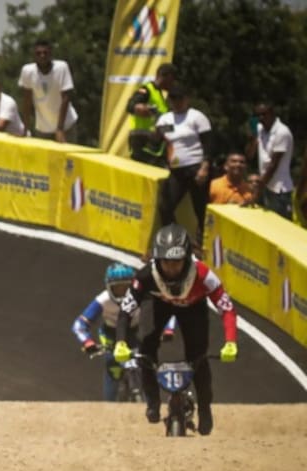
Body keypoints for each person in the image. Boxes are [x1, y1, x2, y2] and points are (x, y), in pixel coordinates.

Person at [114, 224, 238, 436]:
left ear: (187, 258)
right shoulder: (145, 276)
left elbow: (227, 309)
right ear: (157, 260)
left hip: (193, 307)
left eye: (177, 262)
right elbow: (125, 312)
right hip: (157, 304)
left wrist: (231, 341)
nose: (171, 268)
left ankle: (205, 408)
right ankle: (152, 400)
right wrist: (120, 342)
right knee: (145, 346)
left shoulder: (204, 275)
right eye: (166, 262)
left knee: (198, 355)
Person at [72, 262, 175, 401]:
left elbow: (167, 311)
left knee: (146, 364)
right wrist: (88, 342)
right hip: (110, 335)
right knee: (113, 369)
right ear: (108, 288)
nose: (122, 292)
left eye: (125, 288)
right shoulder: (103, 300)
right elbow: (79, 324)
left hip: (135, 332)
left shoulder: (144, 295)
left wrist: (168, 329)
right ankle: (109, 404)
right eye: (117, 288)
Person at [155, 85, 213, 241]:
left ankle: (204, 244)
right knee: (165, 206)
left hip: (195, 166)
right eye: (173, 98)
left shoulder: (196, 117)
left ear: (187, 99)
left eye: (180, 98)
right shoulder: (165, 119)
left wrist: (204, 167)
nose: (176, 102)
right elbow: (160, 140)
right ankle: (177, 239)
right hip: (176, 170)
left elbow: (208, 143)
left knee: (200, 209)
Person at [18, 38, 78, 143]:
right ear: (34, 55)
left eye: (45, 53)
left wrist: (60, 129)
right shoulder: (27, 71)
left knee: (67, 158)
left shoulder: (61, 68)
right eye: (39, 53)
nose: (42, 56)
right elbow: (27, 101)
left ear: (50, 53)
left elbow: (66, 98)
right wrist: (25, 129)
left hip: (66, 126)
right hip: (43, 128)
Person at [246, 102, 295, 220]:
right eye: (257, 115)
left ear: (272, 114)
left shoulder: (282, 132)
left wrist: (258, 190)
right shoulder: (260, 129)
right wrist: (253, 138)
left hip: (279, 189)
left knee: (280, 226)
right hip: (266, 186)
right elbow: (249, 155)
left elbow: (273, 165)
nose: (261, 118)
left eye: (264, 115)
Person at [126, 63, 175, 166]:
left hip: (154, 143)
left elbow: (160, 121)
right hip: (141, 140)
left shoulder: (160, 96)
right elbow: (131, 106)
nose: (172, 83)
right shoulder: (147, 90)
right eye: (171, 80)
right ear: (163, 76)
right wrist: (147, 110)